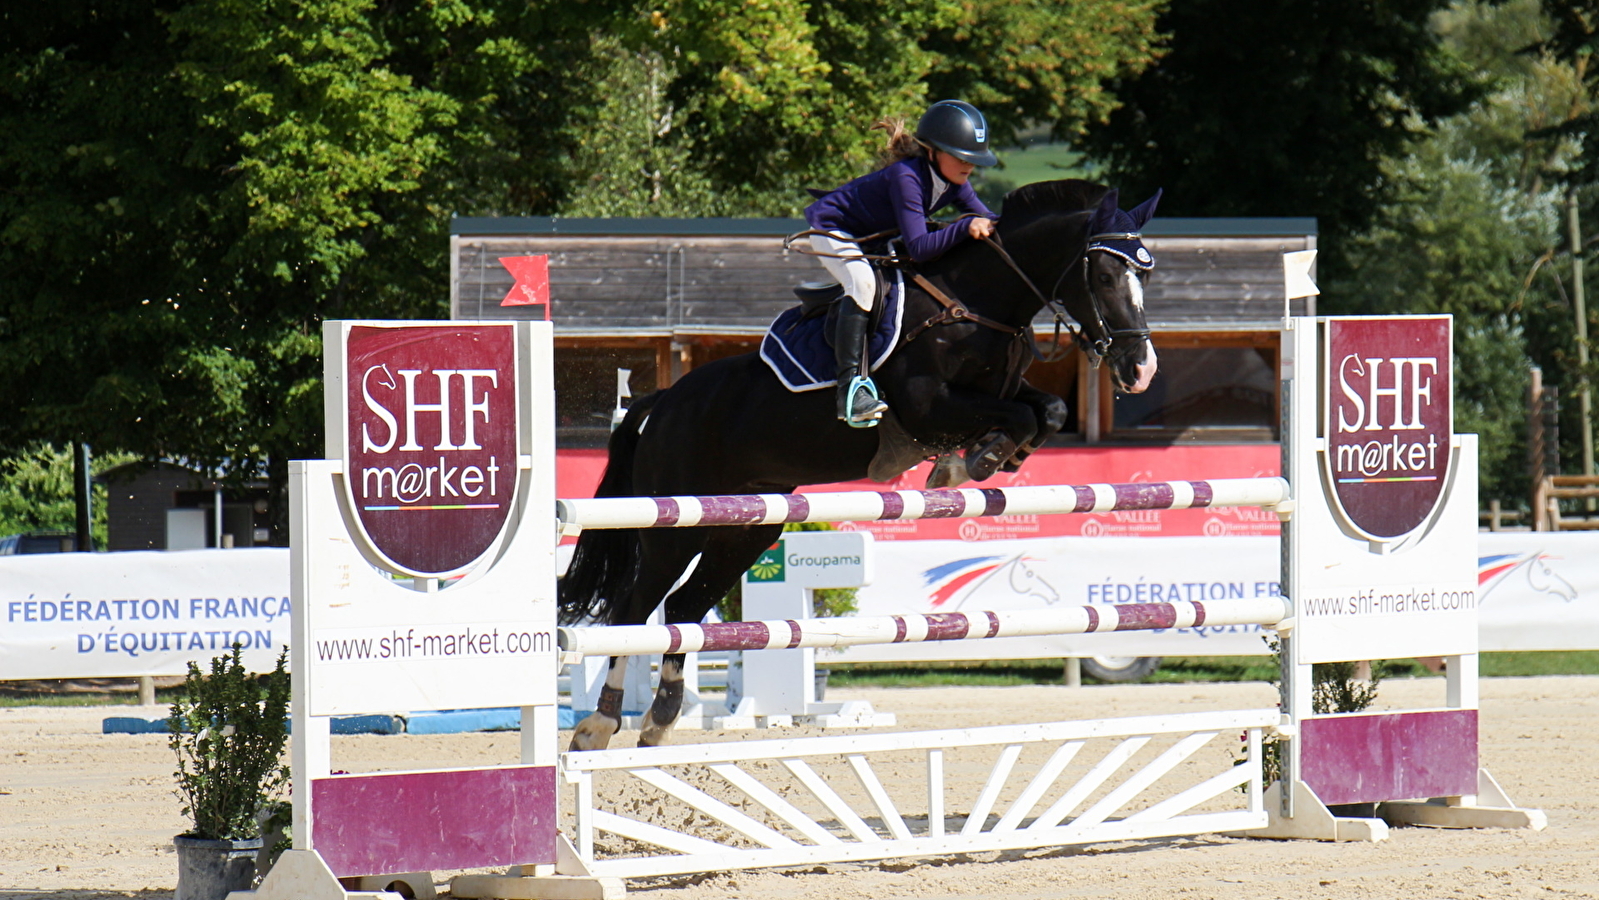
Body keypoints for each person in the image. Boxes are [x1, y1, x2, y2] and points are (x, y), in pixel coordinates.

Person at [804, 99, 1000, 427]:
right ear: (932, 152)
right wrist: (965, 226)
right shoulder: (906, 177)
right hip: (833, 231)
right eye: (961, 156)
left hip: (873, 240)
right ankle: (850, 390)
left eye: (973, 159)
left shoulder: (956, 183)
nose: (969, 165)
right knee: (863, 284)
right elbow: (920, 248)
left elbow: (989, 218)